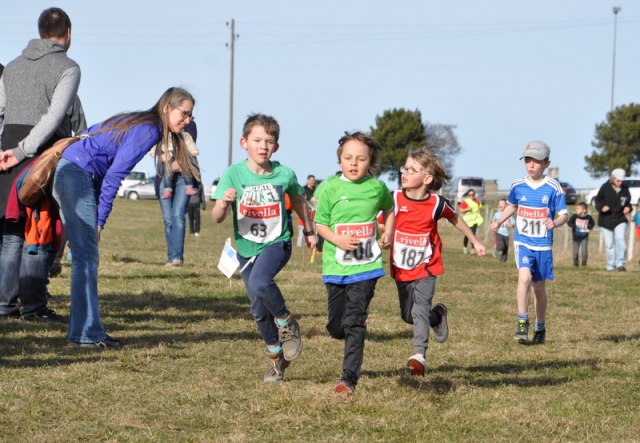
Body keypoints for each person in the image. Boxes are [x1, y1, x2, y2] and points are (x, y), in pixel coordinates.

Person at [51, 87, 198, 348]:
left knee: (84, 254)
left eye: (190, 116)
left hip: (72, 172)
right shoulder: (147, 130)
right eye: (184, 114)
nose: (187, 121)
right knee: (86, 256)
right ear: (167, 108)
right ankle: (87, 335)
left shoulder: (140, 121)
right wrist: (99, 221)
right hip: (75, 174)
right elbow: (114, 176)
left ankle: (83, 332)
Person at [212, 113, 317, 383]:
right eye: (257, 140)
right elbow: (216, 216)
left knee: (260, 283)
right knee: (258, 309)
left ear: (276, 147)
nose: (263, 146)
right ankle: (275, 358)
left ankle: (286, 323)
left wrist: (309, 230)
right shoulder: (233, 174)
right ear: (243, 142)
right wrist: (224, 202)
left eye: (269, 141)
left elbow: (300, 202)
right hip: (246, 248)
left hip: (277, 242)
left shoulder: (285, 174)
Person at [0, 7, 79, 322]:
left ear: (40, 31)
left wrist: (7, 150)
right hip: (39, 151)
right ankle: (33, 309)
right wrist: (24, 151)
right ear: (67, 34)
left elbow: (1, 110)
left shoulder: (13, 66)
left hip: (7, 150)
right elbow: (54, 116)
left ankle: (5, 308)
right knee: (39, 228)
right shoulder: (68, 67)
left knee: (11, 231)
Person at [388, 146, 486, 377]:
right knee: (408, 315)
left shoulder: (436, 203)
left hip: (427, 266)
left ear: (427, 178)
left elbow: (456, 219)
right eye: (405, 168)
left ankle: (419, 355)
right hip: (401, 267)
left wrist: (475, 240)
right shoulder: (393, 197)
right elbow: (383, 220)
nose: (405, 173)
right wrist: (384, 233)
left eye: (412, 170)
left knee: (420, 308)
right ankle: (438, 316)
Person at [315, 131, 394, 394]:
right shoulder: (328, 187)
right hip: (335, 268)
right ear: (340, 161)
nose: (353, 163)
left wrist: (387, 231)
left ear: (370, 163)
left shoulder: (377, 188)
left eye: (361, 159)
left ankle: (348, 378)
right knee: (337, 327)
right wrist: (336, 239)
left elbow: (389, 209)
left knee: (355, 322)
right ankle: (340, 332)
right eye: (348, 158)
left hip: (367, 266)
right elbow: (320, 225)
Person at [490, 140, 568, 345]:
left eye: (536, 161)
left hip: (543, 244)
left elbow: (564, 215)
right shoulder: (518, 185)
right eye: (527, 161)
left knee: (539, 289)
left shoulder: (553, 187)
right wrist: (498, 221)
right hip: (522, 242)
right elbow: (511, 206)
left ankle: (540, 325)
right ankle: (522, 321)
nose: (531, 165)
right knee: (524, 278)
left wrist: (555, 222)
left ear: (546, 164)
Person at [155, 120, 199, 267]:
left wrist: (173, 158)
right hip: (164, 177)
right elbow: (155, 149)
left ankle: (177, 258)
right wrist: (161, 155)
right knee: (168, 220)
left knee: (177, 215)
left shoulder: (188, 126)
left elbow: (188, 148)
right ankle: (170, 257)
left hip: (183, 178)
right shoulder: (159, 126)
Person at [594, 168, 632, 271]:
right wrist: (601, 207)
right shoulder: (605, 187)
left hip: (620, 219)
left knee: (621, 239)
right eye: (618, 180)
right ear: (613, 178)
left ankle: (621, 264)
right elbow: (597, 200)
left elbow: (628, 202)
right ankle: (611, 265)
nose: (620, 182)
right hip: (606, 220)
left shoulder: (625, 189)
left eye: (622, 180)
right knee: (609, 244)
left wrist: (628, 208)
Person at [154, 131, 198, 199]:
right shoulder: (162, 134)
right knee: (168, 172)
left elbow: (190, 143)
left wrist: (193, 150)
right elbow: (155, 144)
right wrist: (153, 151)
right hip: (168, 155)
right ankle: (167, 190)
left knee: (186, 170)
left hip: (180, 155)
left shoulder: (184, 135)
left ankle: (189, 187)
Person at [567, 202, 595, 267]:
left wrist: (589, 228)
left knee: (584, 252)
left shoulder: (588, 217)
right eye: (577, 209)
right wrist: (575, 226)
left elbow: (592, 224)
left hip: (584, 237)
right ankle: (575, 264)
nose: (577, 210)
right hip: (576, 238)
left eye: (578, 209)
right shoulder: (574, 216)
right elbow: (569, 223)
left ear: (584, 210)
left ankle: (584, 263)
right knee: (575, 252)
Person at [459, 189, 483, 254]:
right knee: (467, 234)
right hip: (467, 221)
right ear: (468, 195)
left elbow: (479, 208)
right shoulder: (465, 202)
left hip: (474, 220)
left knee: (473, 234)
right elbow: (460, 210)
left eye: (473, 194)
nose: (471, 196)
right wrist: (467, 209)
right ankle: (465, 248)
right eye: (470, 195)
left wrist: (478, 211)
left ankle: (473, 248)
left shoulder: (477, 201)